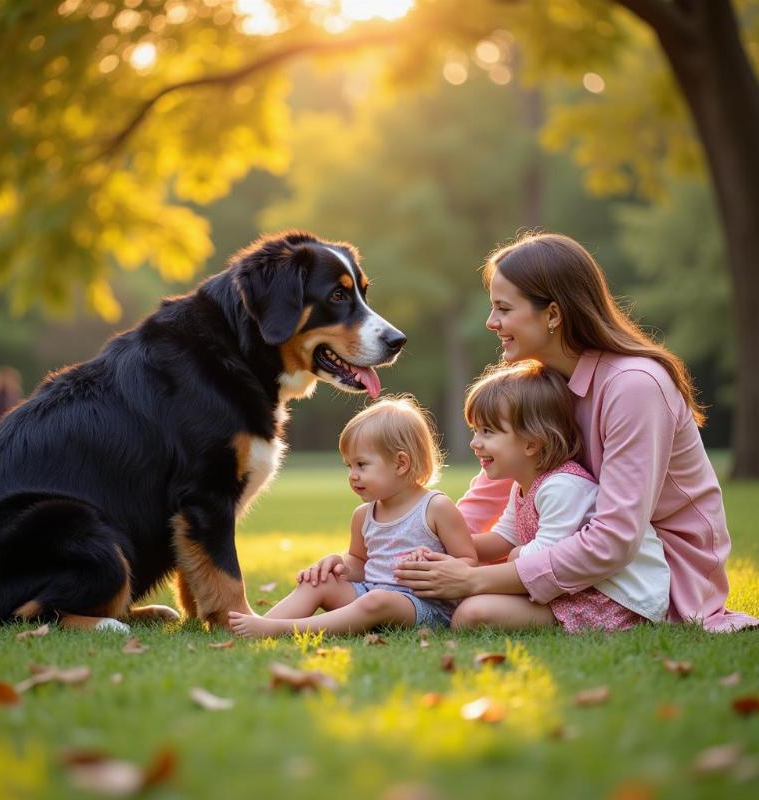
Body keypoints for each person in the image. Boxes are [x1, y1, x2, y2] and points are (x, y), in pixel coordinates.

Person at [395, 232, 758, 632]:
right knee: (457, 594)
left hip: (650, 576)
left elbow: (615, 540)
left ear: (552, 314)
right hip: (577, 551)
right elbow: (484, 501)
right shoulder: (540, 386)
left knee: (473, 605)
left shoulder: (633, 386)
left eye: (503, 308)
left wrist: (474, 578)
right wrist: (406, 550)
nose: (491, 322)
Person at [228, 396, 477, 637]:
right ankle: (263, 625)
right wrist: (336, 566)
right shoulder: (363, 515)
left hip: (425, 608)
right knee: (319, 582)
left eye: (361, 465)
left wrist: (435, 563)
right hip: (370, 594)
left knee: (376, 601)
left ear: (401, 463)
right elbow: (359, 565)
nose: (353, 475)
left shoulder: (436, 507)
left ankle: (284, 630)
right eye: (349, 466)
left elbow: (469, 562)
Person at [452, 360, 669, 631]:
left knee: (471, 614)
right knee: (467, 601)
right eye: (475, 431)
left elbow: (537, 556)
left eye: (488, 432)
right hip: (572, 586)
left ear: (531, 443)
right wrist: (449, 546)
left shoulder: (561, 487)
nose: (475, 442)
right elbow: (504, 538)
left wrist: (472, 575)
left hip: (618, 598)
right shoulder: (523, 483)